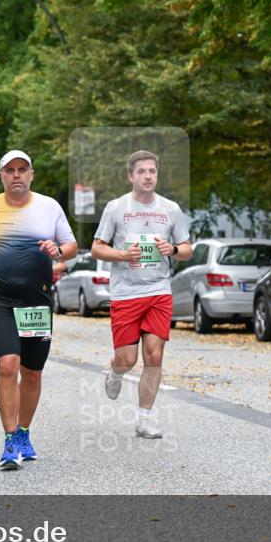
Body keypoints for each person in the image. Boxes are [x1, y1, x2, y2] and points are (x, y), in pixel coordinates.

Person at [0, 150, 77, 470]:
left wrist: (58, 250)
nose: (16, 176)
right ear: (1, 176)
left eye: (22, 170)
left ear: (31, 174)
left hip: (37, 301)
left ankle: (24, 432)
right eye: (10, 170)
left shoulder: (49, 207)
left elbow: (71, 246)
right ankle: (10, 439)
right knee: (8, 366)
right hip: (1, 301)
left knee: (32, 372)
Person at [91, 150, 192, 439]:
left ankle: (144, 418)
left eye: (152, 171)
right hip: (126, 293)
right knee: (126, 358)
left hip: (159, 290)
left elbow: (187, 249)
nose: (148, 176)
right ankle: (115, 373)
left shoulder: (170, 209)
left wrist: (172, 250)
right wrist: (123, 255)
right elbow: (98, 247)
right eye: (142, 171)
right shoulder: (116, 208)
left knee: (154, 353)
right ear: (130, 176)